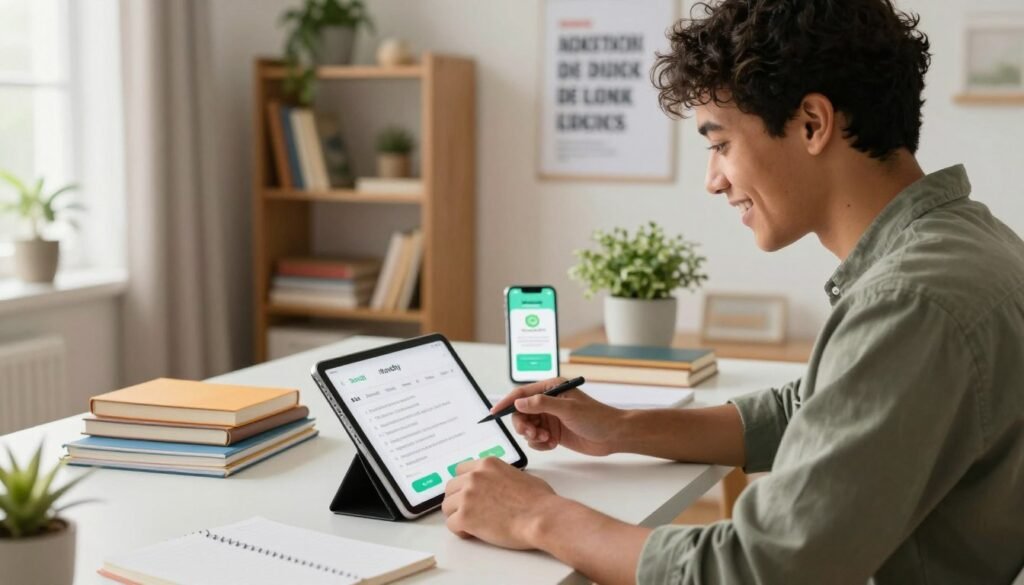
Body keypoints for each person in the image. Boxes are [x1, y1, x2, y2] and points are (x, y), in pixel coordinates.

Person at [440, 0, 1024, 583]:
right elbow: (812, 409)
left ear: (813, 124)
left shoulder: (911, 301)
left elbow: (758, 569)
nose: (713, 180)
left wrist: (537, 517)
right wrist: (619, 427)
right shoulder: (969, 243)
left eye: (720, 144)